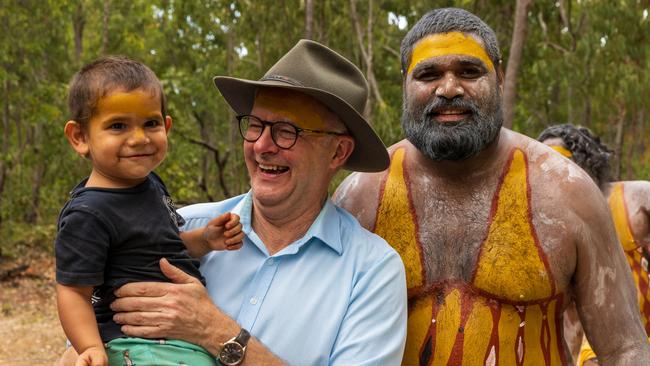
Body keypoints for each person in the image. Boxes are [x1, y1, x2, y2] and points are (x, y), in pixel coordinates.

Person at [59, 40, 408, 366]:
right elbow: (85, 334)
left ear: (338, 151)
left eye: (287, 130)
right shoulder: (185, 225)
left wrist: (217, 332)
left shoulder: (371, 271)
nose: (262, 145)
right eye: (255, 125)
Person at [334, 7, 650, 365]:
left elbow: (626, 349)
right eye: (429, 74)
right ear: (405, 83)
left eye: (469, 71)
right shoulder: (360, 198)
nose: (449, 88)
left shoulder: (568, 194)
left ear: (499, 79)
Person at [56, 56, 244, 366]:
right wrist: (89, 347)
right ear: (80, 137)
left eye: (151, 124)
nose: (139, 138)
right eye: (118, 126)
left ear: (166, 126)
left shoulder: (151, 185)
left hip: (187, 344)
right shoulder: (88, 213)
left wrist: (206, 240)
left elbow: (163, 249)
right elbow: (73, 291)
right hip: (134, 345)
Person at [539, 124, 650, 365]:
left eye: (560, 160)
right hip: (599, 344)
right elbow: (570, 317)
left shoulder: (636, 197)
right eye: (542, 161)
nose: (550, 170)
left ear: (585, 158)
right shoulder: (555, 226)